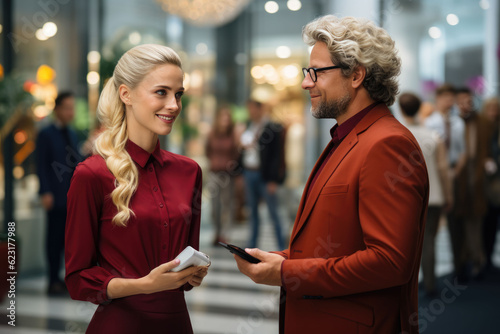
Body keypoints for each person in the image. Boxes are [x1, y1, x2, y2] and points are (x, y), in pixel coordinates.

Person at [234, 15, 429, 334]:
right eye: (306, 72)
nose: (305, 83)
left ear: (356, 76)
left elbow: (390, 262)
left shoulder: (387, 144)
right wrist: (281, 259)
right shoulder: (349, 137)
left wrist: (286, 272)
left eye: (316, 72)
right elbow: (339, 242)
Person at [65, 44, 208, 334]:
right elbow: (78, 279)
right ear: (126, 94)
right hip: (120, 325)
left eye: (178, 94)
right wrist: (145, 285)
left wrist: (193, 273)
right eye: (161, 92)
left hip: (177, 324)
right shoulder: (92, 175)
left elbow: (188, 256)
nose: (174, 105)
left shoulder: (189, 172)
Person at [399, 92, 452, 296]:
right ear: (420, 108)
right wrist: (448, 195)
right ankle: (430, 283)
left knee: (406, 242)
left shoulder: (398, 134)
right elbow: (442, 168)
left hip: (407, 198)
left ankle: (409, 286)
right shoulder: (433, 136)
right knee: (429, 240)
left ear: (401, 110)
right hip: (434, 195)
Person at [36, 91, 82, 295]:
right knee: (53, 239)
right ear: (57, 109)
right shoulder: (46, 134)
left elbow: (76, 164)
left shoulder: (72, 134)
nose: (71, 112)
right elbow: (41, 165)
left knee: (68, 240)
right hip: (54, 196)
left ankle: (63, 278)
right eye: (67, 107)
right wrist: (45, 191)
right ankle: (52, 279)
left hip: (70, 196)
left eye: (73, 108)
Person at [424, 84, 468, 281]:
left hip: (454, 174)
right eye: (446, 98)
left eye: (452, 98)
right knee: (431, 230)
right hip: (435, 176)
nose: (449, 102)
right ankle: (430, 278)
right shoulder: (429, 123)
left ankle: (459, 270)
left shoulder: (458, 123)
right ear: (438, 99)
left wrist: (454, 172)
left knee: (457, 225)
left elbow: (462, 152)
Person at [240, 99, 286, 250]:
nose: (251, 112)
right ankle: (252, 246)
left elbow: (277, 155)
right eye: (249, 109)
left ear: (260, 109)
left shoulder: (272, 127)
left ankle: (281, 246)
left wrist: (274, 179)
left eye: (253, 109)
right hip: (249, 172)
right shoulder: (249, 126)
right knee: (252, 212)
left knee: (273, 213)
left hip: (264, 176)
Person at [454, 87, 490, 279]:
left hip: (477, 177)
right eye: (460, 101)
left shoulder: (482, 122)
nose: (465, 105)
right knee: (459, 223)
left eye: (468, 101)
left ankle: (477, 260)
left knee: (476, 220)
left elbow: (487, 149)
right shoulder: (451, 122)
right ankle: (464, 263)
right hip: (457, 178)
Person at [205, 105, 240, 245]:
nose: (225, 120)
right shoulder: (212, 133)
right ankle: (217, 232)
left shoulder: (233, 135)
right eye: (223, 117)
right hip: (214, 173)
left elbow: (236, 154)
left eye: (227, 117)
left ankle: (225, 235)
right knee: (214, 206)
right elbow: (207, 150)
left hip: (227, 175)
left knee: (227, 204)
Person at [480, 97, 500, 274]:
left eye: (496, 109)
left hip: (495, 183)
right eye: (490, 109)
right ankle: (484, 258)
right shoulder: (482, 128)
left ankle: (489, 257)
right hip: (484, 185)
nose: (493, 113)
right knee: (487, 223)